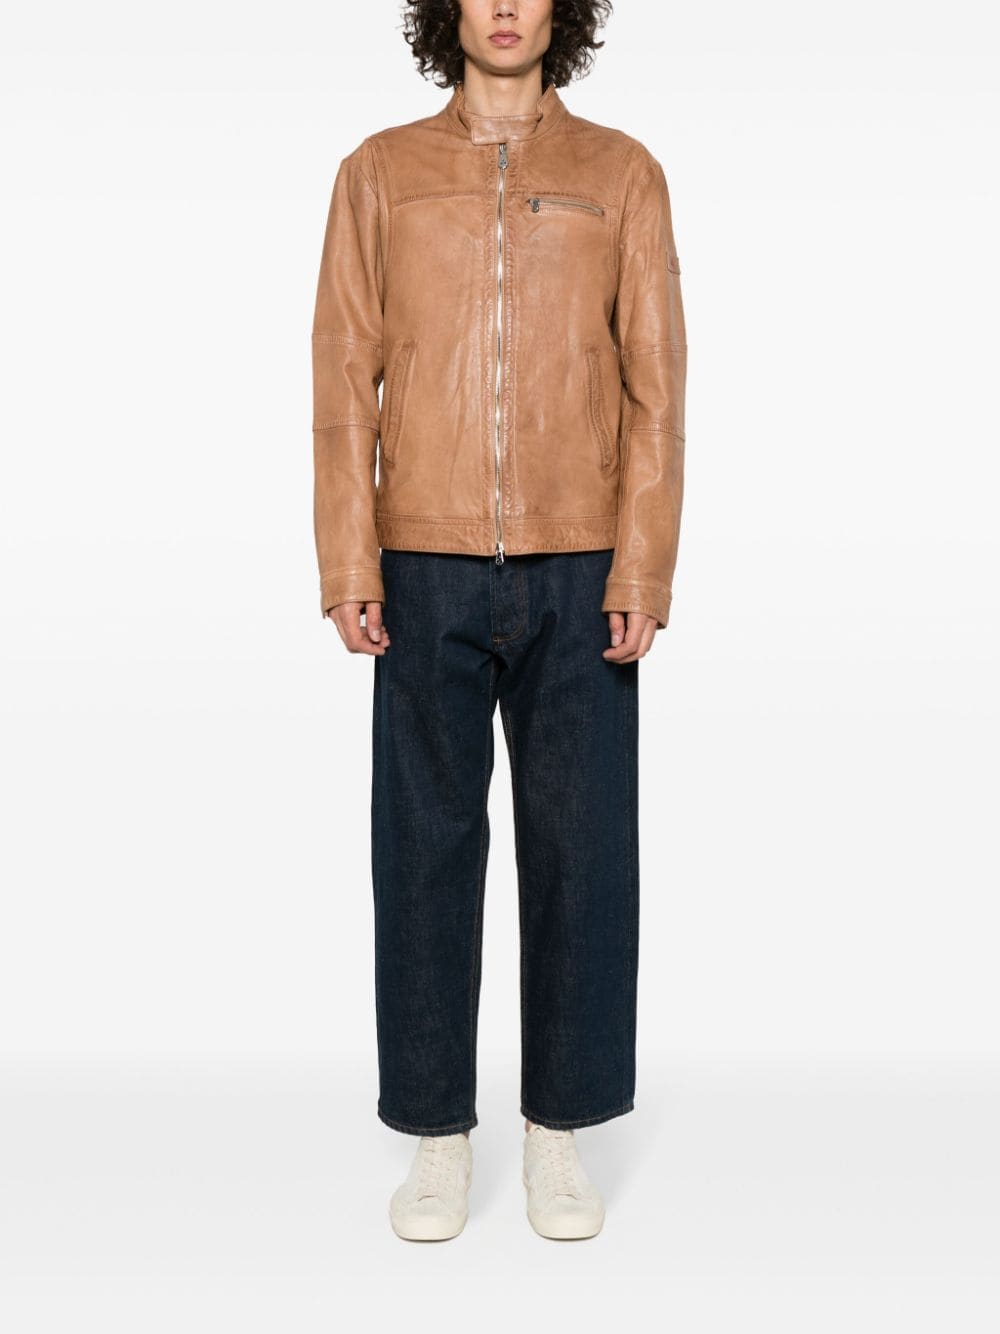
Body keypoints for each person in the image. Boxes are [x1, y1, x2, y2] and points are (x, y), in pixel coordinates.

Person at [310, 0, 686, 1241]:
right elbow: (340, 378)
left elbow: (657, 387)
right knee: (422, 850)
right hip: (422, 558)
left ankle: (557, 1131)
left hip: (580, 559)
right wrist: (348, 553)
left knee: (583, 853)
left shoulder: (621, 173)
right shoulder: (379, 172)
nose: (507, 5)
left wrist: (641, 568)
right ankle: (436, 1133)